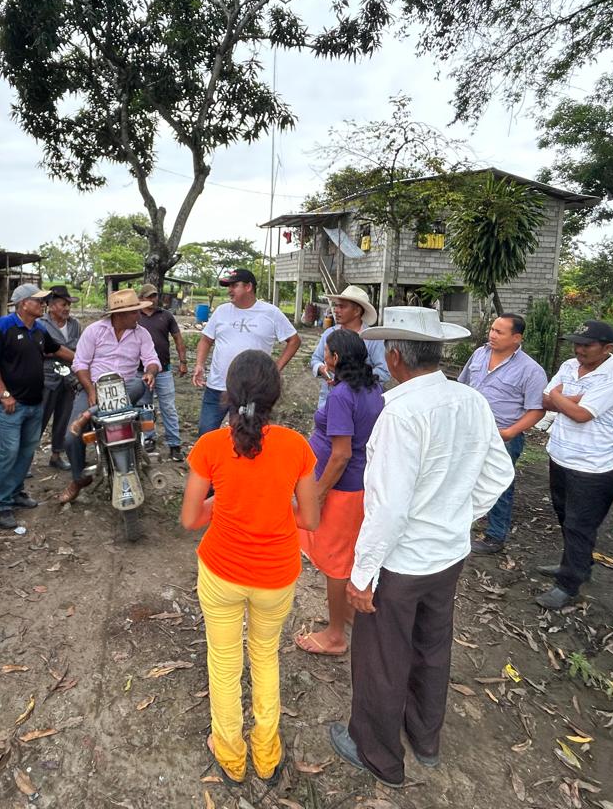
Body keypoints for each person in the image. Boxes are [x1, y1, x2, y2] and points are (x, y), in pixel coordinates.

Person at [326, 307, 514, 789]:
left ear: (394, 357)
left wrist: (362, 575)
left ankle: (377, 754)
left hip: (402, 562)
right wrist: (457, 514)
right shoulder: (470, 400)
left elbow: (388, 508)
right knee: (431, 645)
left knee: (382, 656)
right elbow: (500, 472)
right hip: (448, 553)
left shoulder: (401, 412)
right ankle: (425, 738)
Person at [180, 350, 320, 785]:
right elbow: (310, 519)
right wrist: (274, 507)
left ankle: (231, 756)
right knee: (264, 656)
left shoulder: (210, 446)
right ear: (276, 395)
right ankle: (266, 754)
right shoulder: (296, 446)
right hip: (276, 575)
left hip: (221, 572)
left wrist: (223, 502)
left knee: (224, 662)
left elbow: (190, 518)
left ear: (229, 392)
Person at [295, 329, 384, 656]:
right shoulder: (372, 387)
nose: (324, 356)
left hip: (341, 487)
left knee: (335, 561)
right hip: (356, 483)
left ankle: (335, 636)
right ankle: (345, 613)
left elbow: (341, 454)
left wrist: (319, 493)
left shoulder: (342, 395)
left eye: (327, 352)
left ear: (334, 358)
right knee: (343, 553)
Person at [534, 320, 613, 609]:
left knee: (580, 525)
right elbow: (545, 401)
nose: (579, 350)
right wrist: (568, 400)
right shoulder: (568, 366)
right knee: (565, 516)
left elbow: (580, 414)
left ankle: (569, 585)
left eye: (587, 345)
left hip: (591, 466)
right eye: (577, 344)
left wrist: (560, 397)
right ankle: (576, 563)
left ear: (608, 348)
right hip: (560, 456)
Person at [0, 284, 73, 529]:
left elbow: (58, 350)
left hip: (35, 404)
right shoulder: (3, 327)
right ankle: (1, 504)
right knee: (9, 452)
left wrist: (85, 360)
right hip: (11, 405)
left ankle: (16, 492)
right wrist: (4, 393)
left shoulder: (39, 329)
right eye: (38, 300)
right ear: (23, 303)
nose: (43, 304)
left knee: (26, 451)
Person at [459, 313, 548, 554]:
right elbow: (463, 386)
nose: (492, 335)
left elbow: (537, 409)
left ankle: (495, 536)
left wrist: (510, 432)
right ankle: (461, 525)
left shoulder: (531, 370)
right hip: (470, 431)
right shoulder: (480, 354)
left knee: (498, 483)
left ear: (516, 338)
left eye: (499, 332)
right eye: (492, 329)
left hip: (502, 436)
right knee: (464, 477)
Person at [60, 289, 160, 504]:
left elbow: (152, 359)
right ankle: (78, 479)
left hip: (126, 389)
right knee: (70, 438)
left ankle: (87, 416)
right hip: (94, 388)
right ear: (119, 314)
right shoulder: (94, 331)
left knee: (139, 383)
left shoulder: (141, 333)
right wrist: (91, 390)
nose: (139, 315)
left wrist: (151, 372)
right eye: (134, 312)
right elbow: (80, 364)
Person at [193, 268, 300, 435]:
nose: (229, 290)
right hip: (217, 387)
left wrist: (274, 369)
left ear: (249, 287)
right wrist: (199, 364)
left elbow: (294, 341)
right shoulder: (221, 311)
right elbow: (206, 340)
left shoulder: (271, 313)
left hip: (251, 390)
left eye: (234, 286)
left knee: (244, 434)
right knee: (206, 432)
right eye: (228, 286)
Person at [309, 286, 389, 410]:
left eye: (342, 307)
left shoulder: (373, 339)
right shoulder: (329, 333)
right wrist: (322, 369)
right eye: (336, 306)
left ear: (357, 311)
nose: (336, 310)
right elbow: (315, 359)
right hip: (328, 400)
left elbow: (383, 372)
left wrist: (351, 377)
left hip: (361, 405)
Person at [138, 283, 188, 462]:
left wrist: (183, 361)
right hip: (141, 371)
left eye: (155, 296)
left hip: (164, 369)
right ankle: (149, 438)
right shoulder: (135, 316)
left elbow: (178, 339)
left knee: (168, 407)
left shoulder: (166, 315)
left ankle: (174, 444)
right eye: (149, 296)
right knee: (145, 407)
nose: (153, 299)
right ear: (141, 299)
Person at [36, 285, 82, 472]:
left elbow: (80, 348)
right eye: (64, 304)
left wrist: (57, 352)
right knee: (40, 418)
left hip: (69, 378)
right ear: (52, 305)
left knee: (64, 417)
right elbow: (38, 349)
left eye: (68, 304)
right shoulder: (40, 324)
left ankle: (56, 455)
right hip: (48, 377)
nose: (67, 308)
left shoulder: (74, 324)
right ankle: (26, 458)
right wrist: (59, 352)